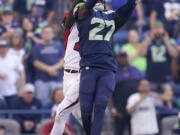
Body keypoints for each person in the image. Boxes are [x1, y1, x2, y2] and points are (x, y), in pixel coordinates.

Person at [74, 0, 141, 134]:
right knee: (86, 109)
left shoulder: (111, 15)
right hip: (89, 66)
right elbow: (85, 8)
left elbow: (124, 13)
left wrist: (132, 3)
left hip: (107, 67)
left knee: (100, 105)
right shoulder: (82, 12)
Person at [50, 1, 83, 135]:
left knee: (61, 112)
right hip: (67, 73)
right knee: (80, 116)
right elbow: (68, 21)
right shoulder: (70, 19)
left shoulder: (93, 24)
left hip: (81, 73)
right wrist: (78, 4)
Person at [109, 51, 142, 135]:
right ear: (117, 59)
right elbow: (109, 92)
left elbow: (142, 85)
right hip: (120, 108)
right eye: (121, 57)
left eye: (124, 57)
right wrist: (112, 108)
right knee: (119, 131)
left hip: (134, 107)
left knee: (135, 131)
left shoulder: (135, 69)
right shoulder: (113, 72)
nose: (123, 59)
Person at [32, 25, 64, 105]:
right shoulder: (37, 47)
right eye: (45, 32)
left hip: (57, 79)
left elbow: (63, 60)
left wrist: (53, 68)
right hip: (41, 80)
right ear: (42, 34)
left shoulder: (58, 45)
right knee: (42, 103)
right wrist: (49, 69)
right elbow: (36, 62)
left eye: (49, 32)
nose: (47, 34)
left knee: (60, 103)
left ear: (53, 34)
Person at [140, 21, 178, 88]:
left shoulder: (170, 41)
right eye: (155, 28)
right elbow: (142, 54)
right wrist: (146, 42)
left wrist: (167, 42)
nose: (157, 30)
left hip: (166, 77)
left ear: (164, 30)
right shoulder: (147, 42)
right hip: (151, 78)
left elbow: (175, 55)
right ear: (151, 30)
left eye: (160, 28)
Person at [0, 39, 25, 108]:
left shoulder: (14, 58)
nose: (3, 49)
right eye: (1, 47)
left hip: (13, 91)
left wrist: (21, 88)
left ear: (8, 48)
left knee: (13, 114)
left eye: (4, 47)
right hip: (0, 93)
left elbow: (22, 72)